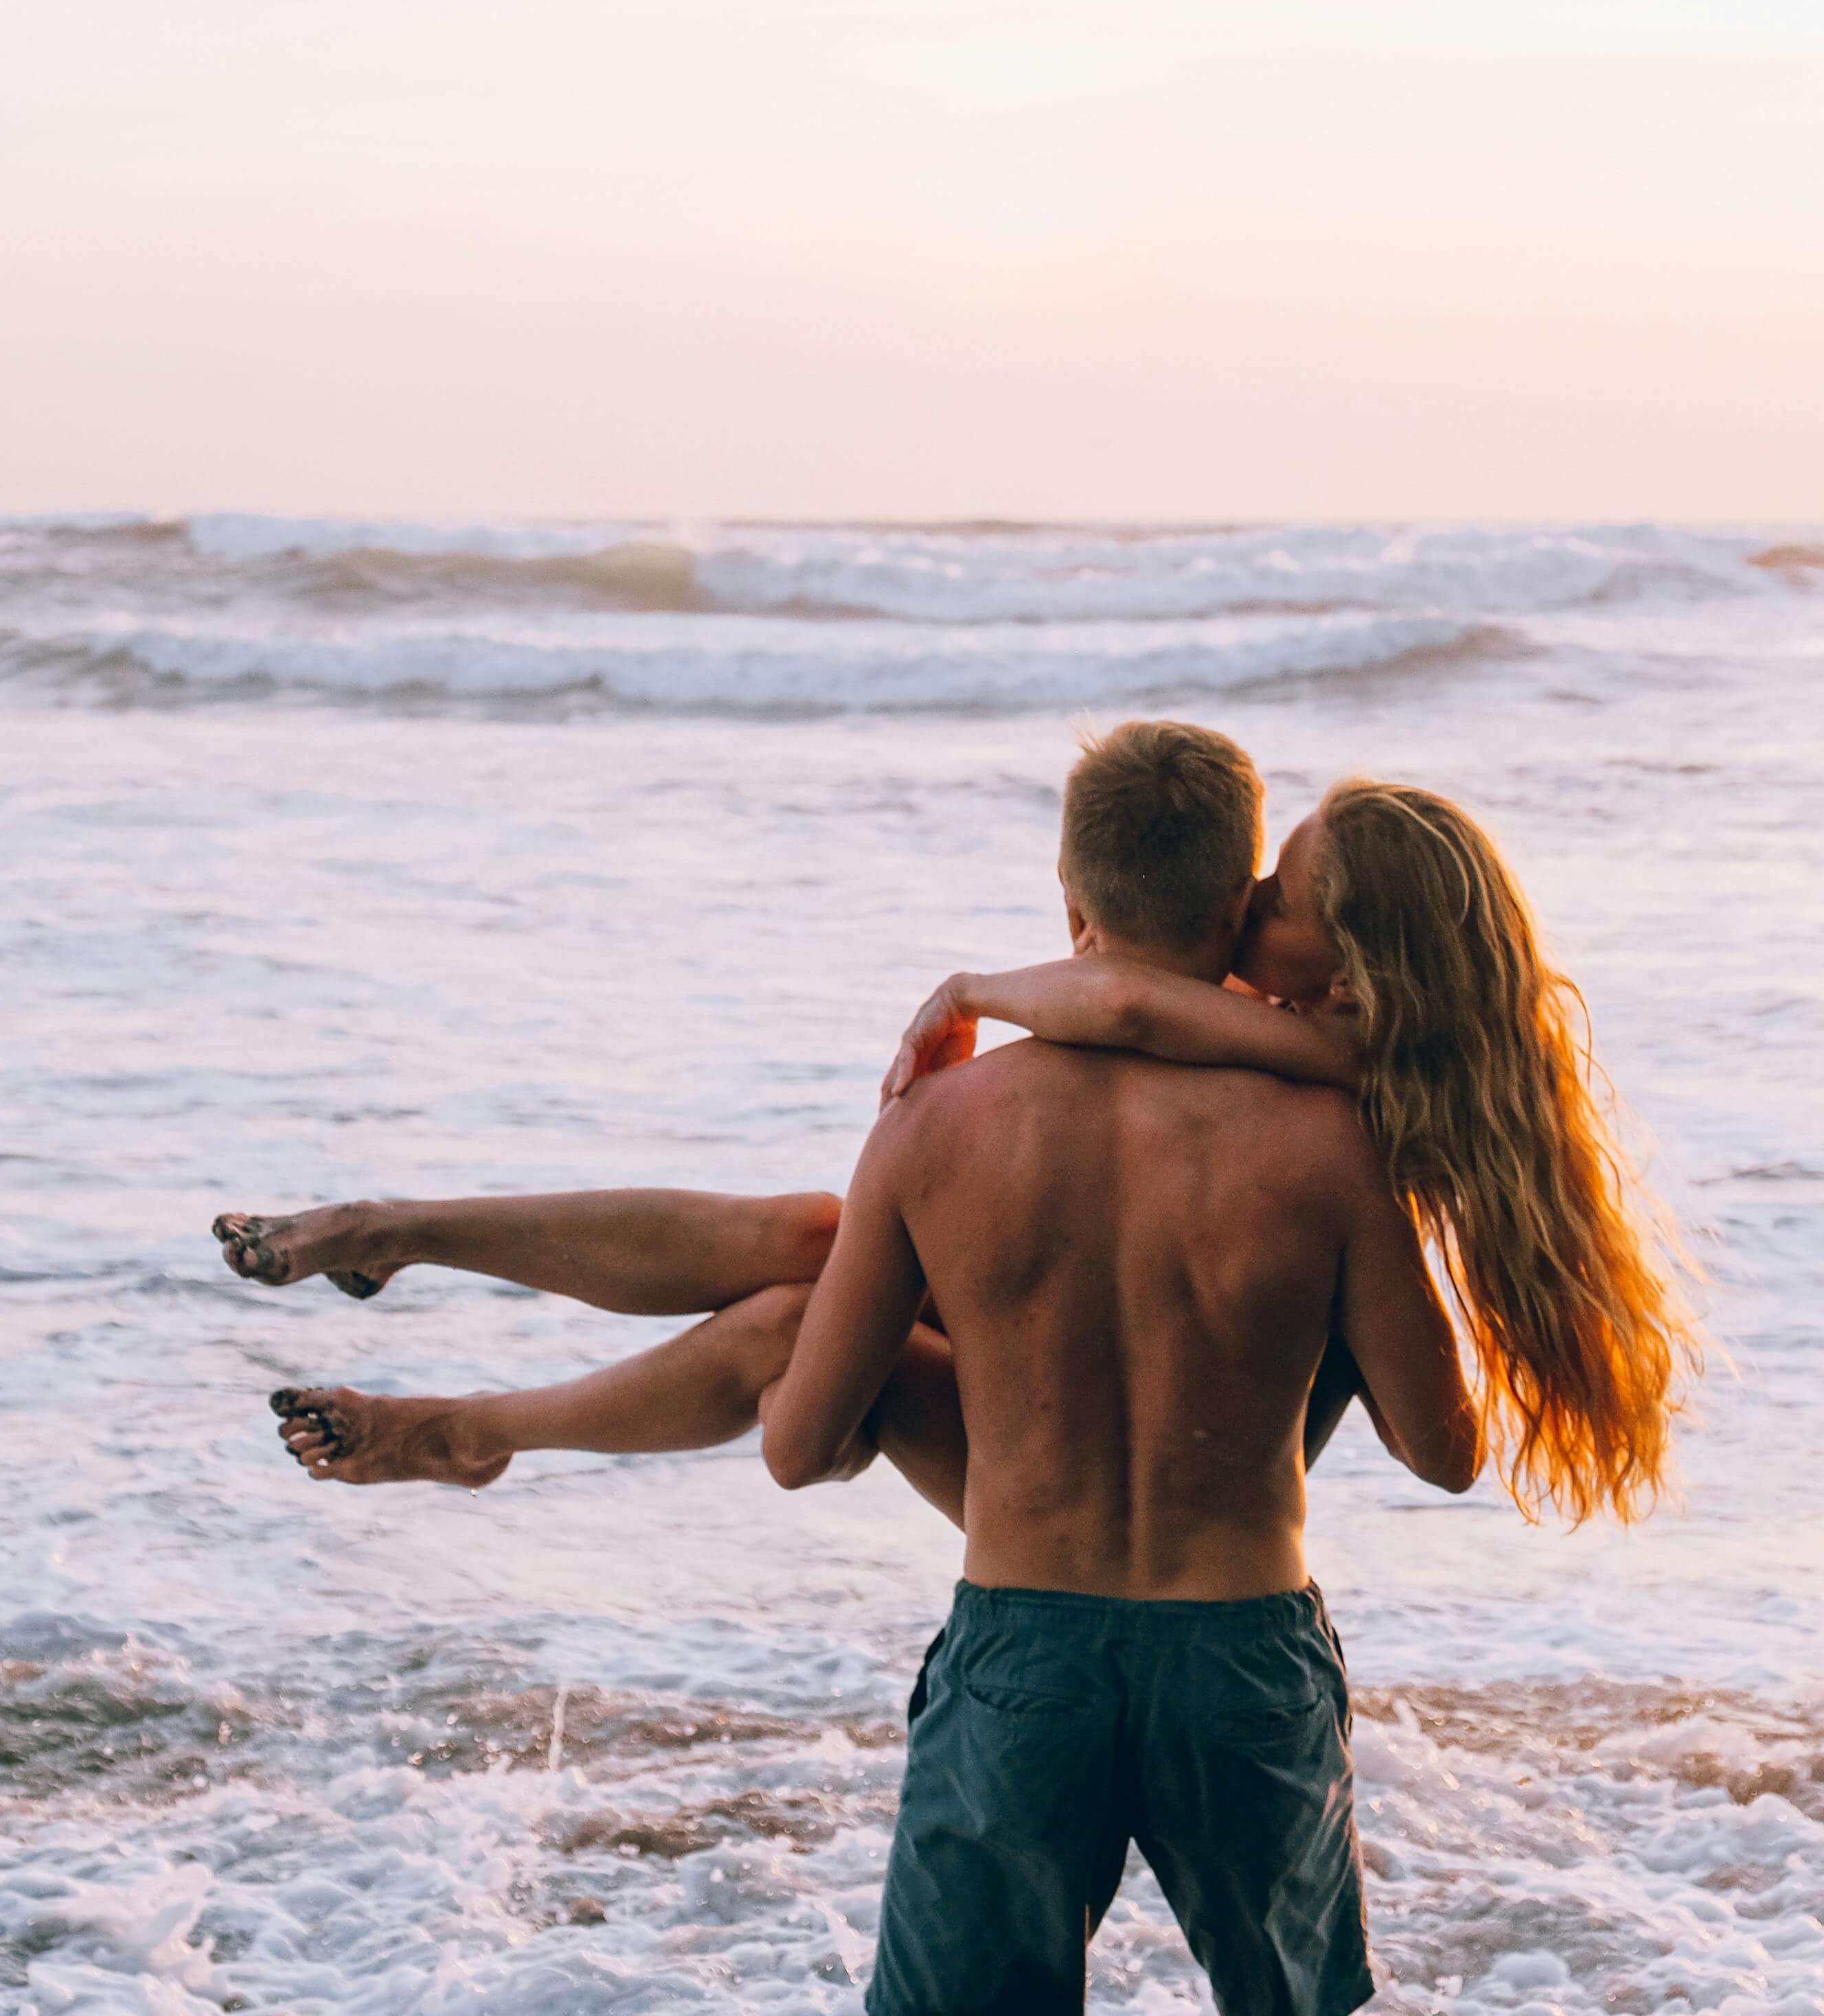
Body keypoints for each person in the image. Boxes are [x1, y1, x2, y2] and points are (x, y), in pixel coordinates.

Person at [226, 738, 1693, 1531]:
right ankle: (397, 1232)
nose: (1250, 914)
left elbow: (1138, 1000)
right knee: (819, 1235)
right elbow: (1148, 1005)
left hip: (1093, 1496)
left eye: (1279, 899)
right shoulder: (1371, 1055)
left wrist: (986, 986)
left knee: (793, 1319)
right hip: (1151, 1467)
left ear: (1359, 965)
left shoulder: (1352, 1082)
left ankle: (474, 1426)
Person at [758, 722, 1475, 2015]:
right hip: (1242, 1656)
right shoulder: (1337, 1142)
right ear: (1245, 903)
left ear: (1070, 901)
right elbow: (1445, 1449)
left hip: (1023, 1654)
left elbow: (800, 1449)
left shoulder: (934, 1123)